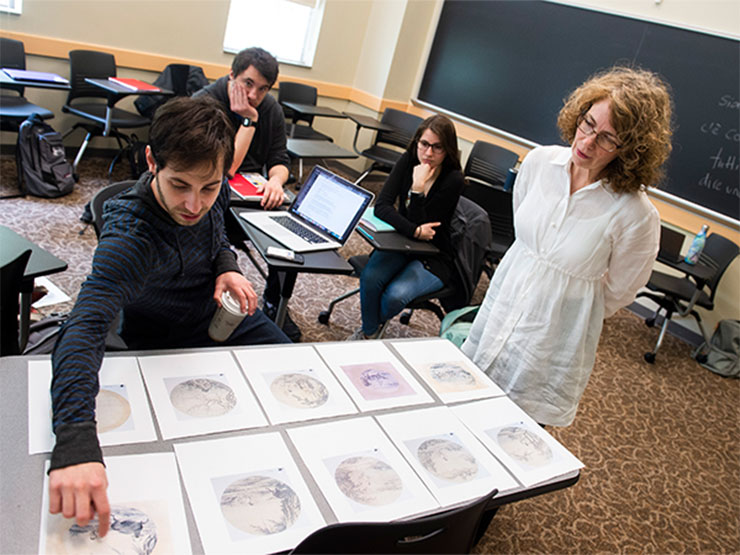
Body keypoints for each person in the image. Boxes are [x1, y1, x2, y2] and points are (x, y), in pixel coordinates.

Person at [48, 96, 290, 538]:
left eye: (209, 188)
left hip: (216, 313)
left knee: (290, 367)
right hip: (163, 340)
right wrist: (75, 439)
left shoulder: (209, 184)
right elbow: (81, 328)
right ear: (151, 161)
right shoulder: (131, 236)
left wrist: (227, 268)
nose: (194, 203)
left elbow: (216, 235)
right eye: (180, 185)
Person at [462, 66, 673, 427]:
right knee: (465, 405)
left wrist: (565, 299)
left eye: (608, 138)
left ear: (631, 151)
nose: (588, 142)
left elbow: (620, 291)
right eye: (588, 123)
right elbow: (524, 235)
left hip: (551, 340)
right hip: (501, 306)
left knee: (515, 433)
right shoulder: (540, 162)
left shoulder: (635, 214)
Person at [194, 47, 301, 341]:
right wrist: (248, 120)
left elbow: (280, 158)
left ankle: (275, 301)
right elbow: (225, 169)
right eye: (248, 84)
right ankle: (220, 290)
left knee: (288, 237)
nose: (254, 95)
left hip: (252, 197)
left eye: (263, 89)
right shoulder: (205, 102)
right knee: (212, 238)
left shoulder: (272, 109)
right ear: (232, 75)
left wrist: (277, 181)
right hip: (210, 195)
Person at [349, 114, 465, 340]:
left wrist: (418, 188)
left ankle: (366, 332)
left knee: (395, 296)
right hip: (403, 241)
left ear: (448, 149)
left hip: (434, 254)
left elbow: (424, 225)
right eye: (424, 144)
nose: (428, 153)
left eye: (437, 147)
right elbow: (382, 206)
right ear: (417, 142)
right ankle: (369, 334)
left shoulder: (453, 180)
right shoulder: (407, 160)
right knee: (370, 278)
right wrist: (413, 231)